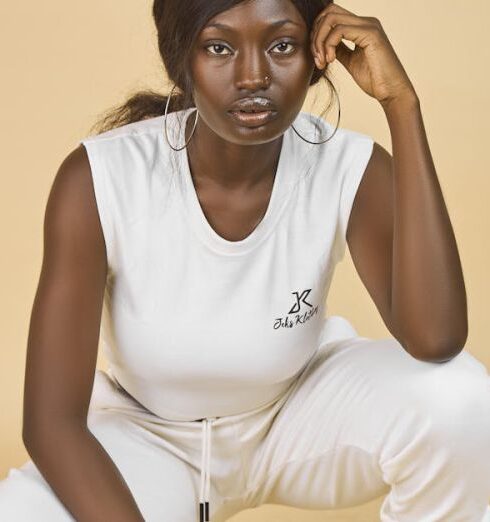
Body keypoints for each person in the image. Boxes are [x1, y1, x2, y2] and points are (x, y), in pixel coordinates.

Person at [1, 0, 490, 521]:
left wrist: (401, 104)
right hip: (149, 437)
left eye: (282, 46)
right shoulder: (98, 177)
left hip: (296, 416)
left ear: (317, 55)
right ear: (180, 60)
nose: (253, 75)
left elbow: (435, 338)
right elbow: (51, 423)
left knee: (460, 401)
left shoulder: (349, 166)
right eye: (219, 47)